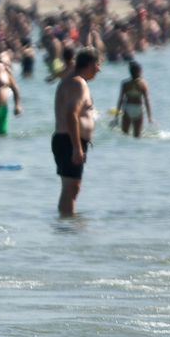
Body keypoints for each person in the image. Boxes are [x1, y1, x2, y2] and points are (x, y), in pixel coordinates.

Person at [52, 49, 100, 217]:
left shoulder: (70, 80)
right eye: (97, 64)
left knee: (71, 187)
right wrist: (77, 147)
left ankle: (66, 223)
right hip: (69, 140)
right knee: (71, 187)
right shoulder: (78, 84)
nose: (99, 69)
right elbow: (71, 113)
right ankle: (67, 225)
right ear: (90, 64)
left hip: (66, 139)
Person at [114, 61, 152, 138]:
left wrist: (116, 115)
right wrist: (149, 117)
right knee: (137, 137)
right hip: (139, 109)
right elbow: (147, 101)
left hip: (128, 108)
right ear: (140, 71)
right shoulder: (143, 84)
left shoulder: (125, 83)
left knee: (124, 135)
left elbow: (120, 100)